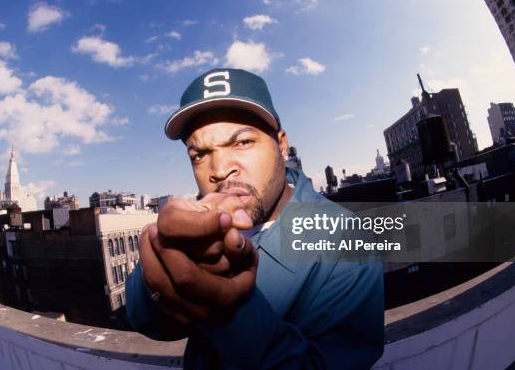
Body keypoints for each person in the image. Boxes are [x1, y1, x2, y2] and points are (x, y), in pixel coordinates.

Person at [126, 68, 384, 369]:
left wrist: (228, 309)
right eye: (199, 154)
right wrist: (157, 265)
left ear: (282, 144)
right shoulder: (195, 222)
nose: (220, 169)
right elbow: (147, 322)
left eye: (242, 142)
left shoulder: (348, 242)